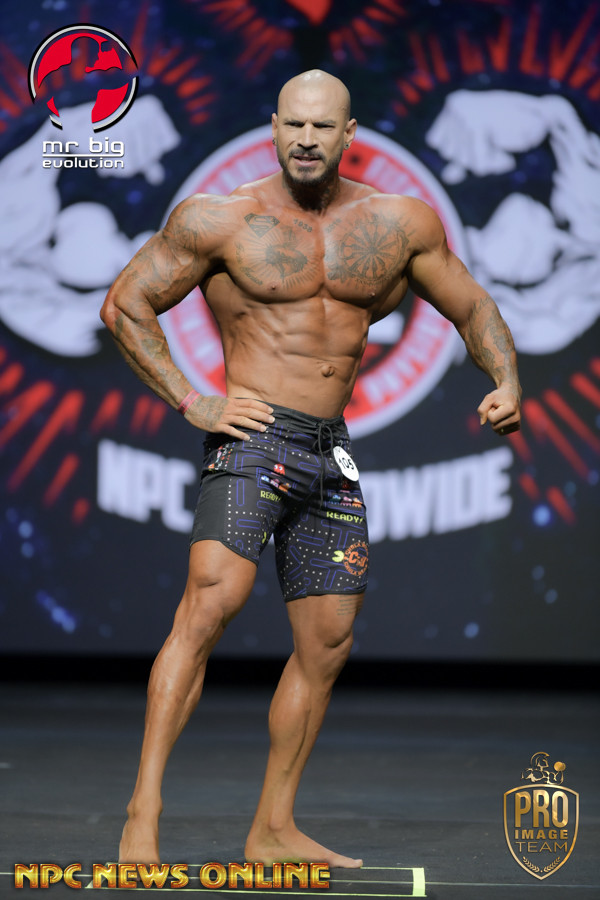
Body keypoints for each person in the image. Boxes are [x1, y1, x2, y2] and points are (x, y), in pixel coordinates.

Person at [100, 69, 521, 869]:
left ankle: (272, 829)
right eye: (293, 124)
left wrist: (505, 378)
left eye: (320, 127)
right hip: (253, 439)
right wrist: (192, 399)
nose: (304, 139)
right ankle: (141, 811)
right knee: (209, 606)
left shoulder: (399, 223)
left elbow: (472, 306)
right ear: (273, 127)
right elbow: (125, 303)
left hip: (330, 451)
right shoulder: (222, 219)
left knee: (328, 642)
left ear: (347, 134)